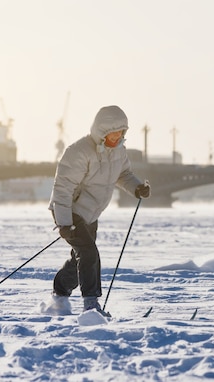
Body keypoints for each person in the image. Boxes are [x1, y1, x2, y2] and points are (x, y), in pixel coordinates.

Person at [46, 105, 150, 316]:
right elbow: (62, 189)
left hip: (90, 214)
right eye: (113, 133)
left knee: (81, 257)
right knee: (89, 254)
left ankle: (59, 293)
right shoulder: (79, 152)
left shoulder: (118, 151)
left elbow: (124, 174)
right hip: (70, 211)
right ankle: (91, 307)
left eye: (121, 132)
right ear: (101, 132)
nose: (117, 137)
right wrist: (64, 223)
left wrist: (137, 187)